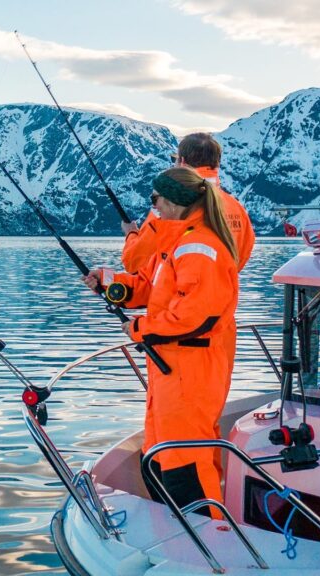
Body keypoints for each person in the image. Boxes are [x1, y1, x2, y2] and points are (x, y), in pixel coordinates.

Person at [85, 166, 239, 514]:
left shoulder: (200, 248)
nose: (151, 207)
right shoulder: (179, 241)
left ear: (172, 202)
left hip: (190, 372)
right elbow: (152, 289)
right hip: (171, 371)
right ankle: (179, 537)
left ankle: (211, 542)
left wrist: (140, 329)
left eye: (154, 200)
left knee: (186, 463)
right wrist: (109, 283)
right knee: (159, 459)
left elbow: (196, 316)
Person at [121, 133, 255, 274]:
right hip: (222, 293)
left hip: (177, 294)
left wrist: (131, 234)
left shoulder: (173, 205)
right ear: (217, 163)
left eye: (175, 160)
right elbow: (241, 255)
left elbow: (135, 262)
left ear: (182, 162)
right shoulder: (237, 208)